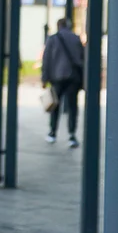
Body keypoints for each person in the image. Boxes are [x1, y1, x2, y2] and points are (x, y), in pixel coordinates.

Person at [41, 17, 84, 148]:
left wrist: (44, 78)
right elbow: (82, 58)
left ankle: (53, 132)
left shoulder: (53, 39)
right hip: (73, 77)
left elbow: (46, 59)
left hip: (57, 77)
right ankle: (72, 134)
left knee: (55, 105)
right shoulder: (76, 38)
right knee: (72, 106)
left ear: (58, 26)